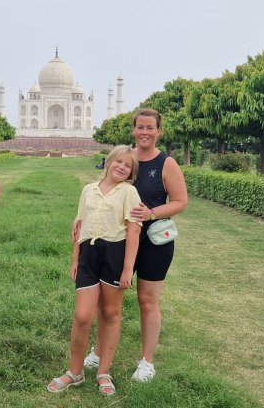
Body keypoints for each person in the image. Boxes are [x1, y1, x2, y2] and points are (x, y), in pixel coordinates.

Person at [81, 108, 188, 383]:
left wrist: (151, 213)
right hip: (118, 242)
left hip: (152, 243)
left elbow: (180, 202)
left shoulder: (166, 163)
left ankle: (146, 361)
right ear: (134, 130)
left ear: (159, 131)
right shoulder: (125, 159)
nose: (145, 132)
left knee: (147, 301)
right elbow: (102, 188)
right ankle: (98, 352)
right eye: (140, 127)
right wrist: (83, 219)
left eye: (150, 127)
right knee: (108, 302)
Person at [47, 145, 141, 396]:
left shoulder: (129, 192)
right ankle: (75, 372)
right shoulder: (89, 189)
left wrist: (127, 269)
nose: (122, 167)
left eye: (128, 165)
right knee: (82, 315)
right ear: (108, 162)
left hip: (114, 255)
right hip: (88, 254)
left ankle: (103, 372)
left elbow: (133, 231)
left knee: (110, 313)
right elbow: (79, 227)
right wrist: (75, 260)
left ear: (132, 172)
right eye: (118, 161)